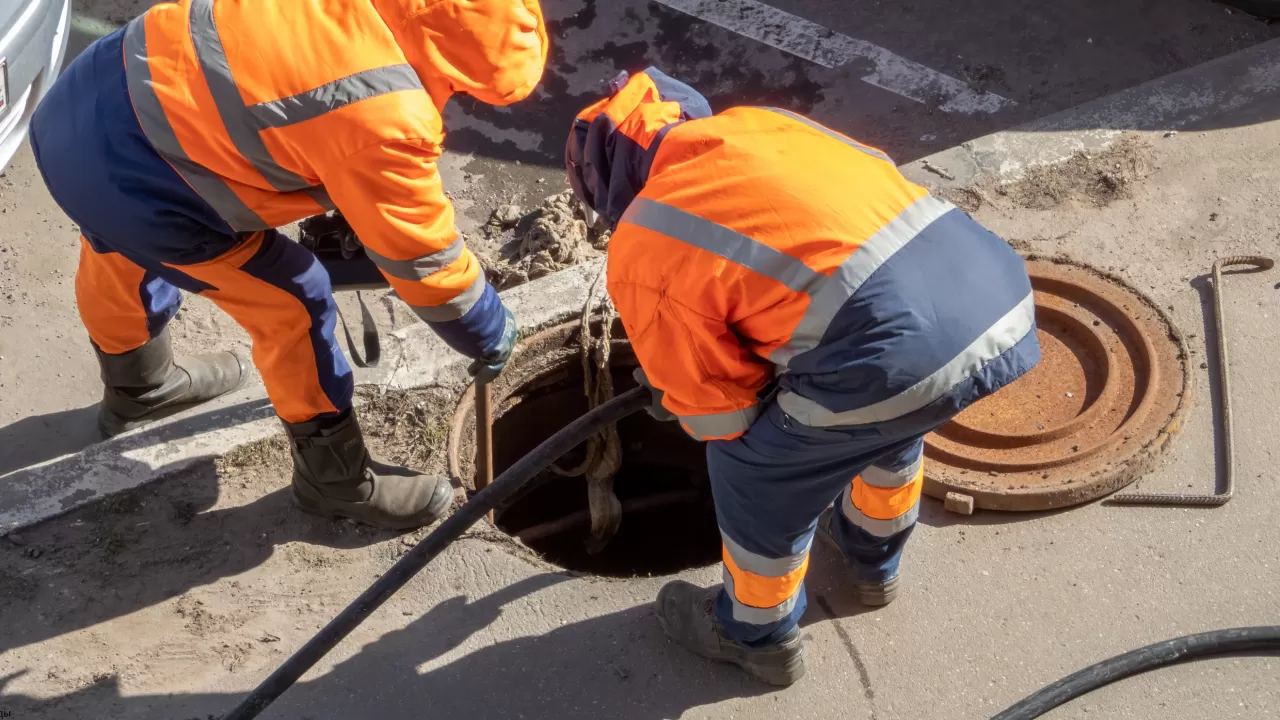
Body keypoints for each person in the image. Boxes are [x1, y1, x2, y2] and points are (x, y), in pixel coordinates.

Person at [565, 69, 1041, 685]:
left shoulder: (646, 236)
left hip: (894, 354)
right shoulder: (763, 126)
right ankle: (873, 565)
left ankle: (754, 634)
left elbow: (723, 415)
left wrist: (682, 395)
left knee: (753, 468)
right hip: (998, 302)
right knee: (885, 424)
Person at [30, 0, 547, 530]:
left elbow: (273, 93)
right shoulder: (389, 115)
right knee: (294, 298)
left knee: (116, 247)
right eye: (465, 89)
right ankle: (337, 481)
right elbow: (427, 263)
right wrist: (486, 328)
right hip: (138, 178)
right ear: (456, 68)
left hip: (83, 106)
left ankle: (138, 387)